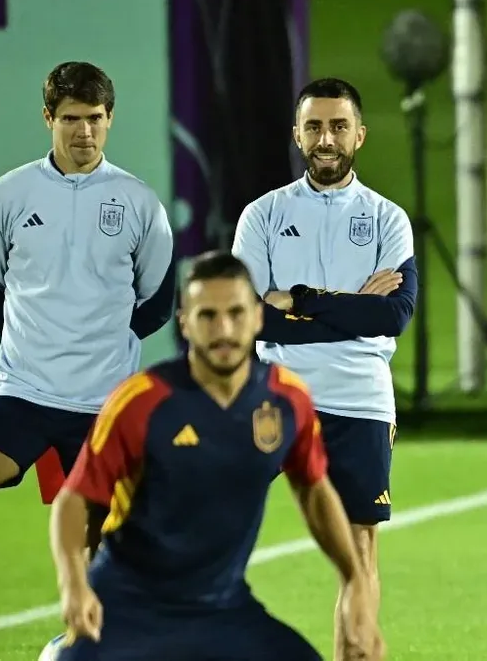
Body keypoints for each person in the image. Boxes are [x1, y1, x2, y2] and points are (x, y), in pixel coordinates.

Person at [49, 251, 383, 661]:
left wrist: (355, 583)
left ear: (259, 318)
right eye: (207, 316)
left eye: (237, 313)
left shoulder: (287, 399)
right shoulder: (140, 402)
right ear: (185, 323)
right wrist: (74, 585)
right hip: (130, 606)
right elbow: (75, 499)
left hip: (224, 608)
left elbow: (313, 489)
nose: (224, 329)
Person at [0, 61, 175, 574]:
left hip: (102, 403)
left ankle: (100, 645)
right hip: (24, 394)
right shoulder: (9, 195)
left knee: (105, 544)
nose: (85, 131)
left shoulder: (139, 202)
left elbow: (159, 302)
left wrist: (102, 341)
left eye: (95, 118)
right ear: (48, 119)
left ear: (110, 119)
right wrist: (32, 346)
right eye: (71, 119)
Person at [231, 77, 416, 659]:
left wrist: (302, 298)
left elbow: (393, 314)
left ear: (359, 135)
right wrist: (350, 305)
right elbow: (249, 323)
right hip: (273, 395)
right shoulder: (262, 216)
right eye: (314, 127)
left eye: (338, 126)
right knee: (208, 528)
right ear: (297, 135)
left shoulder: (388, 220)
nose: (326, 139)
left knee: (358, 553)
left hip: (359, 399)